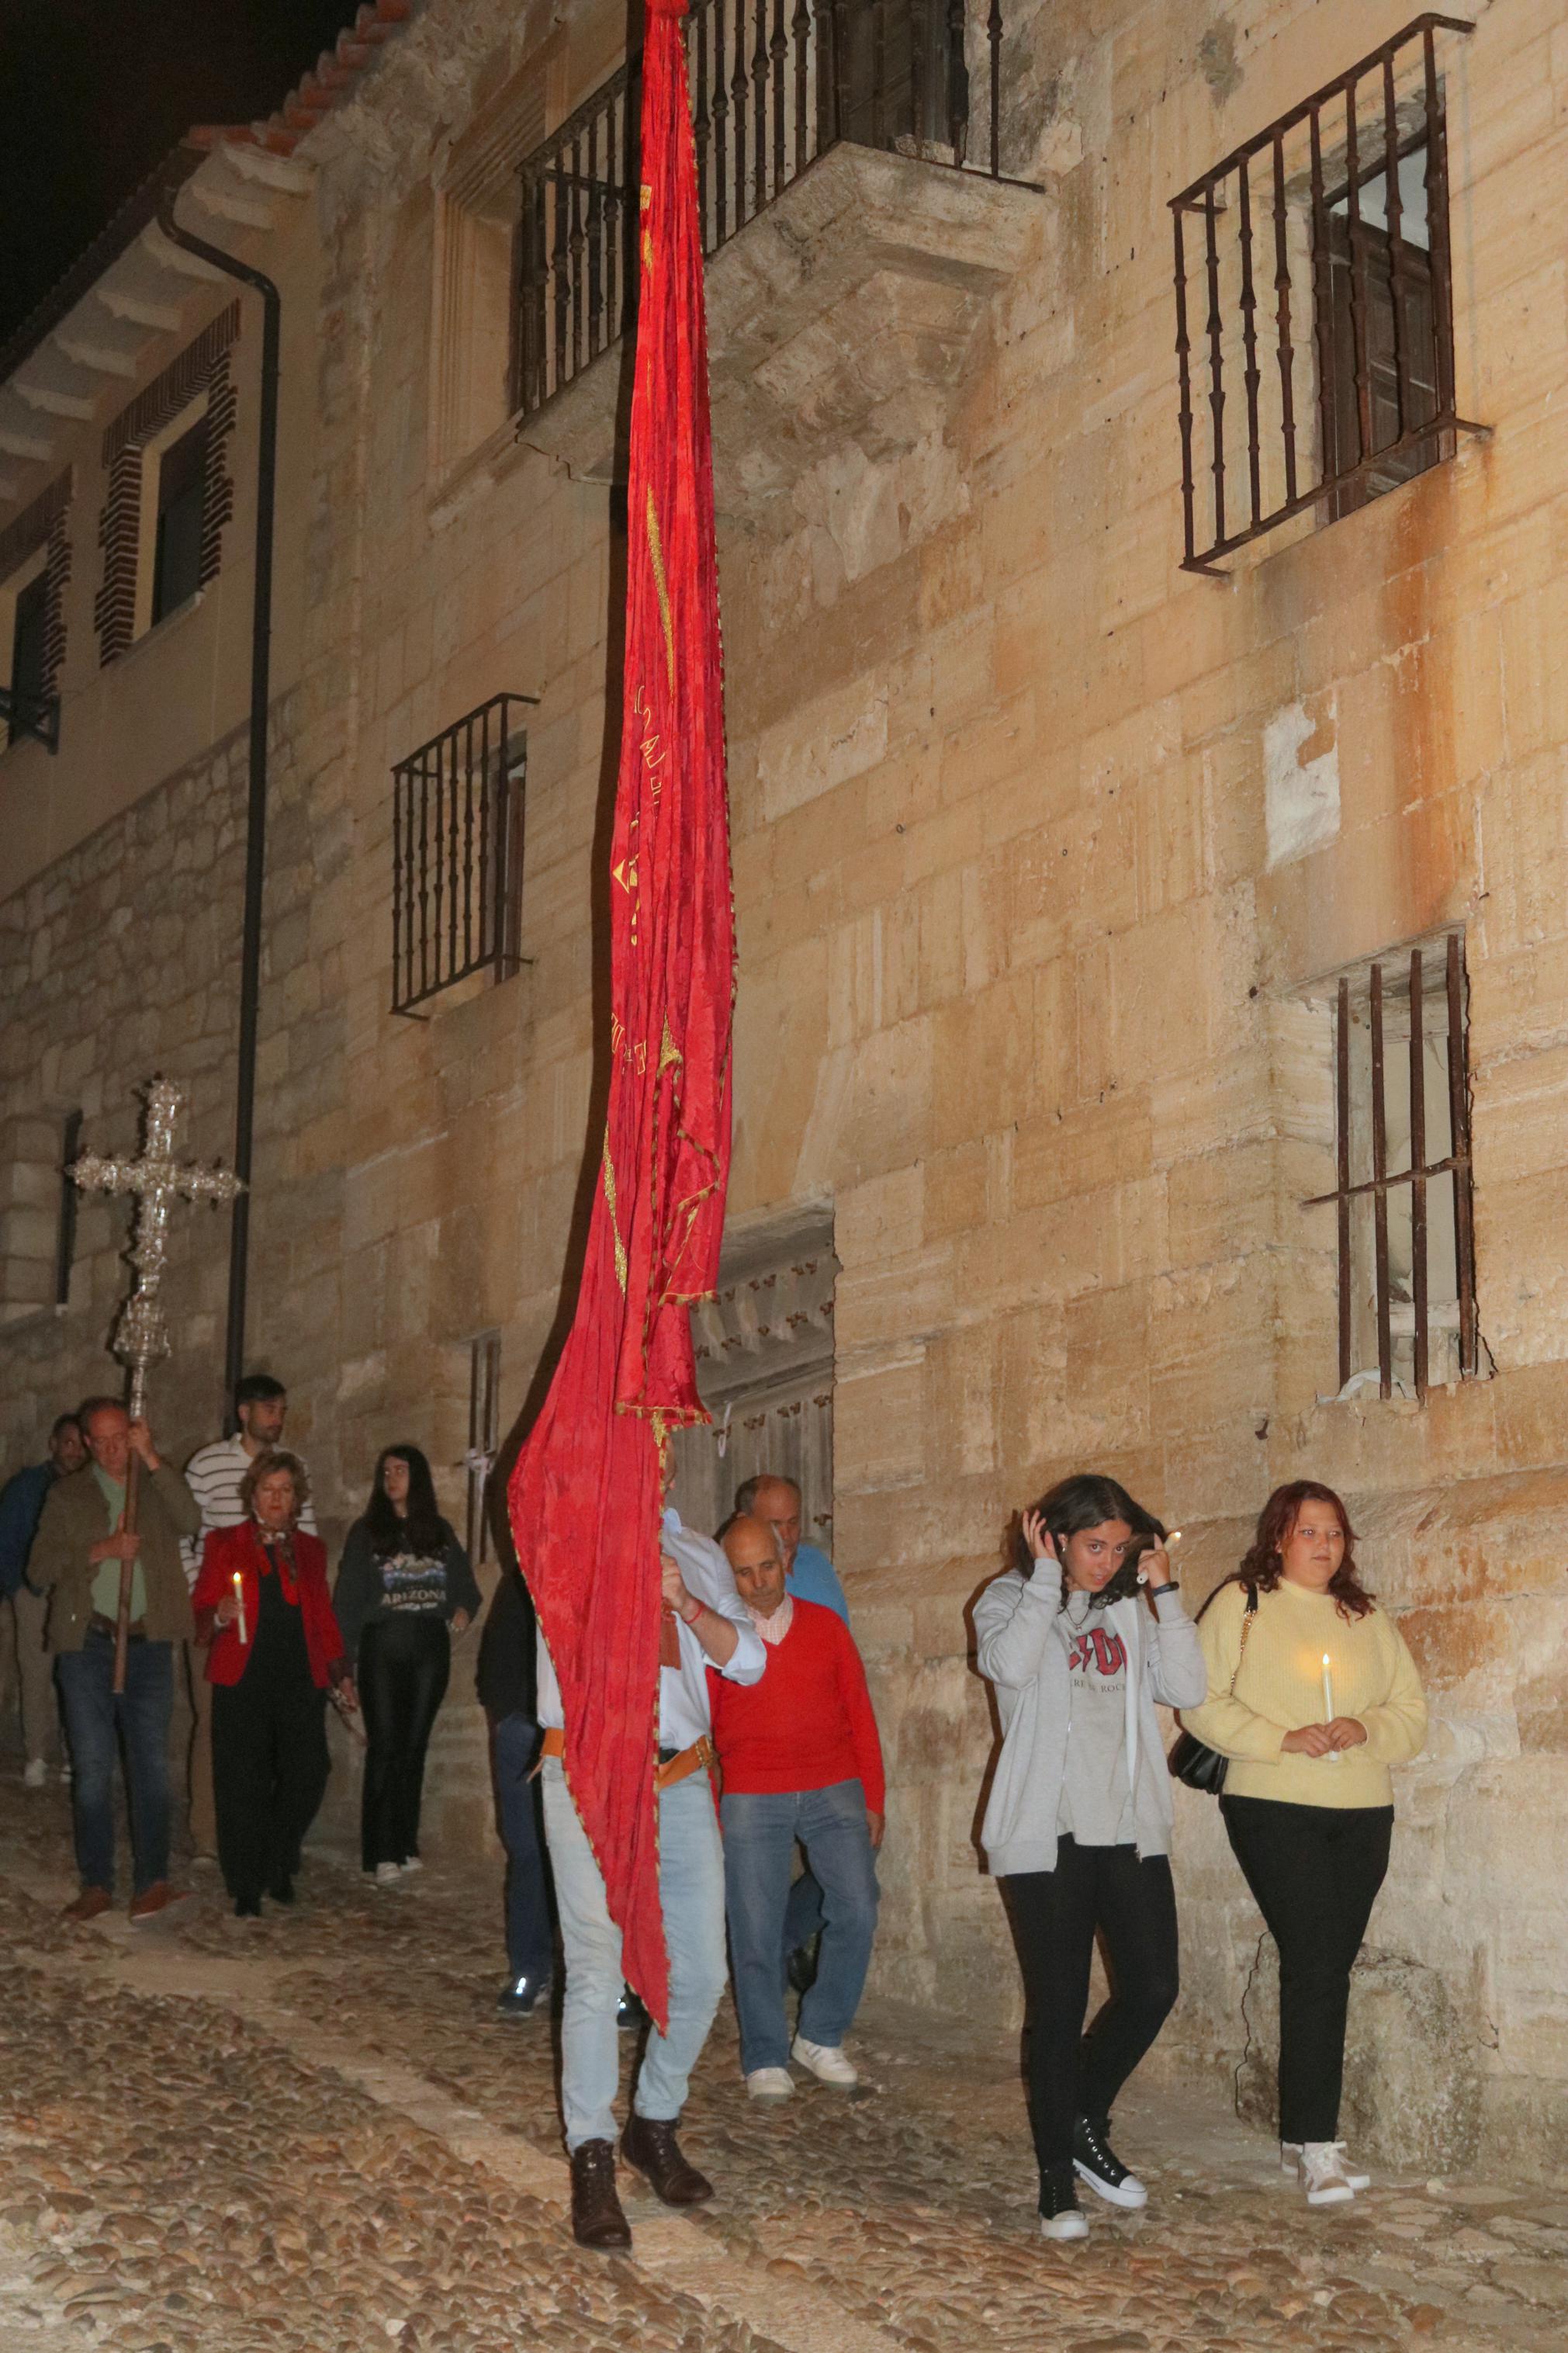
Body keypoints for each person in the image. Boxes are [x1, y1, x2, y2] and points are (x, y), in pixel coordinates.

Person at [1178, 1480, 1427, 2208]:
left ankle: (1302, 2133)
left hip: (1360, 1809)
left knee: (1326, 1965)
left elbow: (1409, 1712)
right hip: (1272, 1803)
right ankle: (1318, 2144)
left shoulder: (1365, 1616)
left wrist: (1365, 1728)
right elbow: (1199, 1702)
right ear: (1278, 1536)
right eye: (1308, 1532)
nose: (1323, 1546)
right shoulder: (1242, 1604)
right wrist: (1279, 1737)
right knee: (1318, 1962)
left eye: (1335, 1534)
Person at [975, 1472, 1206, 2243]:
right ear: (1054, 1536)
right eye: (1090, 1544)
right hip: (1045, 1837)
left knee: (1152, 1984)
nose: (1103, 1560)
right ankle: (1053, 2183)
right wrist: (1045, 1577)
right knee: (1059, 2004)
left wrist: (1164, 1596)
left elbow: (1185, 1685)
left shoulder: (1133, 1613)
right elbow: (1008, 1665)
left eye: (1116, 1546)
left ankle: (1079, 2117)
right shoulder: (1007, 1599)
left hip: (1126, 1829)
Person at [540, 1506, 765, 2253]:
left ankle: (653, 2122)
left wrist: (685, 1603)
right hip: (585, 1769)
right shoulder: (561, 1532)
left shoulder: (697, 1551)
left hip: (679, 1775)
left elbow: (751, 1660)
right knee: (596, 1966)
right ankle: (591, 2151)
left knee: (701, 1970)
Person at [713, 1513, 883, 2101]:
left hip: (832, 1784)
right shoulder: (719, 1640)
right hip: (751, 1791)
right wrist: (715, 1807)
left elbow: (859, 1711)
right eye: (742, 1571)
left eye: (767, 1565)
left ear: (786, 1560)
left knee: (857, 1907)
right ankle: (763, 2054)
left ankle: (819, 2033)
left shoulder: (825, 1627)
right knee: (754, 1929)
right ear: (726, 1575)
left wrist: (873, 1796)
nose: (758, 1581)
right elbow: (705, 1731)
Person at [28, 1398, 199, 1924]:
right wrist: (100, 1550)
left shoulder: (153, 1481)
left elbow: (190, 1519)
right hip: (89, 1645)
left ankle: (152, 1882)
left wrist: (152, 1460)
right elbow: (39, 1569)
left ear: (134, 1432)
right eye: (97, 1441)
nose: (109, 1450)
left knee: (149, 1764)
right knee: (94, 1766)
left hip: (148, 1644)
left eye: (118, 1437)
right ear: (84, 1442)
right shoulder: (67, 1493)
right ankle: (97, 1881)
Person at [192, 1451, 355, 1918]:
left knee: (309, 1771)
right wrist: (219, 1613)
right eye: (269, 1489)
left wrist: (341, 1670)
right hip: (242, 1677)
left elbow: (322, 1614)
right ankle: (246, 1881)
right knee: (242, 1780)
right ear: (253, 1495)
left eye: (285, 1490)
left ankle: (277, 1857)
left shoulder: (310, 1549)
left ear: (297, 1497)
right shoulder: (225, 1542)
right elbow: (202, 1604)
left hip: (299, 1678)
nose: (277, 1498)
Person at [182, 1374, 318, 1863]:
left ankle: (262, 1833)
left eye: (280, 1408)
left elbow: (307, 1540)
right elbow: (185, 1531)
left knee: (276, 1733)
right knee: (215, 1723)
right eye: (266, 1408)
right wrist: (208, 1599)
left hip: (276, 1621)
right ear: (244, 1412)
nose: (275, 1417)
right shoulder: (207, 1464)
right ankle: (208, 1835)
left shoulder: (292, 1467)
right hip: (220, 1613)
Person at [334, 1445, 482, 1883]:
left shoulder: (438, 1532)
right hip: (384, 1645)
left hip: (428, 1647)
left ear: (418, 1478)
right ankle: (380, 1851)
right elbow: (347, 1601)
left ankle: (405, 1842)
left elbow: (466, 1589)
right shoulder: (367, 1533)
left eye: (401, 1471)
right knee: (386, 1745)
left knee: (415, 1745)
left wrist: (461, 1609)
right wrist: (343, 1666)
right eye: (386, 1472)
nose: (392, 1479)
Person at [733, 1471, 848, 1984]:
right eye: (772, 1523)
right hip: (759, 1757)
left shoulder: (820, 1569)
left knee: (856, 1865)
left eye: (793, 1521)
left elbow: (843, 1658)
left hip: (826, 1750)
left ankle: (779, 1938)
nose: (786, 1535)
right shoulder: (730, 1576)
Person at [476, 1558, 556, 2015]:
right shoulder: (522, 1579)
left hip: (579, 1735)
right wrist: (506, 1719)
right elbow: (495, 1660)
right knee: (527, 1852)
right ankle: (530, 1966)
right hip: (524, 1728)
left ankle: (614, 1983)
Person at [0, 1413, 85, 1785]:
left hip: (75, 1594)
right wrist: (18, 1588)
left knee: (77, 1674)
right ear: (53, 1444)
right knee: (35, 1672)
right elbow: (7, 1539)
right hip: (34, 1592)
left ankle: (73, 1754)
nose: (75, 1451)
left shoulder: (89, 1488)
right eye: (68, 1443)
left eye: (81, 1444)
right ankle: (36, 1754)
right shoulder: (27, 1486)